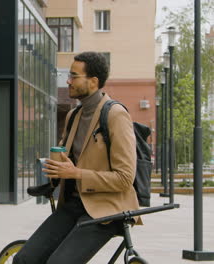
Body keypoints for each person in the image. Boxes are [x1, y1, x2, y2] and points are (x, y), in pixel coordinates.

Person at [13, 52, 140, 264]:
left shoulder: (115, 114)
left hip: (106, 208)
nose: (68, 81)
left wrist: (76, 173)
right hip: (74, 204)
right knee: (24, 259)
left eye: (74, 76)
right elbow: (70, 161)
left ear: (93, 82)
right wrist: (55, 170)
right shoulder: (74, 115)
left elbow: (125, 178)